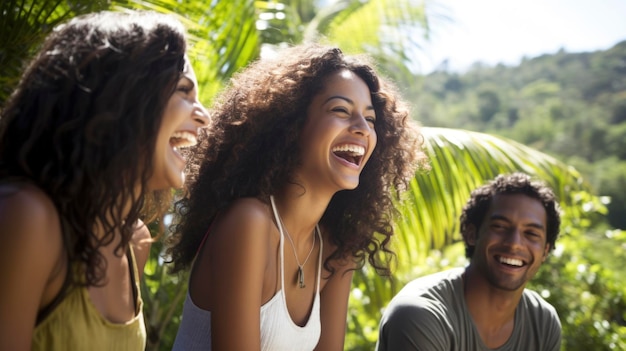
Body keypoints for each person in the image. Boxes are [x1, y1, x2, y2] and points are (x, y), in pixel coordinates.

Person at [166, 43, 428, 350]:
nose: (362, 129)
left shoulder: (335, 251)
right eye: (341, 111)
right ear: (289, 124)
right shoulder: (249, 222)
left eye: (370, 120)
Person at [0, 10, 210, 350]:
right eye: (184, 92)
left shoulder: (134, 242)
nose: (204, 115)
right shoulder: (28, 217)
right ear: (121, 97)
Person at [376, 172, 562, 351]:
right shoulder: (420, 313)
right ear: (471, 234)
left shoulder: (542, 322)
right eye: (500, 226)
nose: (514, 244)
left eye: (531, 233)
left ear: (545, 250)